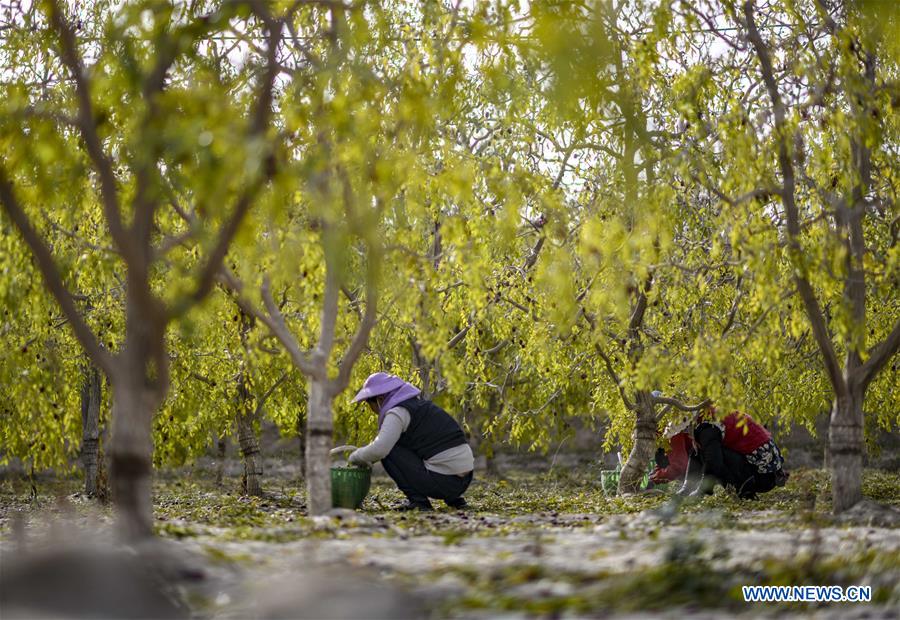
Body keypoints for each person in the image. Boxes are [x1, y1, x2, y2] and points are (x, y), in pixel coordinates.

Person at [347, 372, 474, 511]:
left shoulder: (397, 412)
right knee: (412, 444)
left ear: (380, 398)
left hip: (445, 481)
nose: (371, 410)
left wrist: (354, 456)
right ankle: (455, 500)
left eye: (369, 404)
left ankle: (418, 502)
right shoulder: (420, 407)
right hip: (465, 479)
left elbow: (380, 449)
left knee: (390, 451)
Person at [680, 408, 788, 499]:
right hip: (763, 473)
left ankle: (744, 490)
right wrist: (686, 488)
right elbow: (696, 453)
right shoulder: (710, 416)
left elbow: (714, 463)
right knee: (702, 450)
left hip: (763, 477)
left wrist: (702, 491)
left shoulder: (708, 428)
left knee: (711, 454)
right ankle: (688, 488)